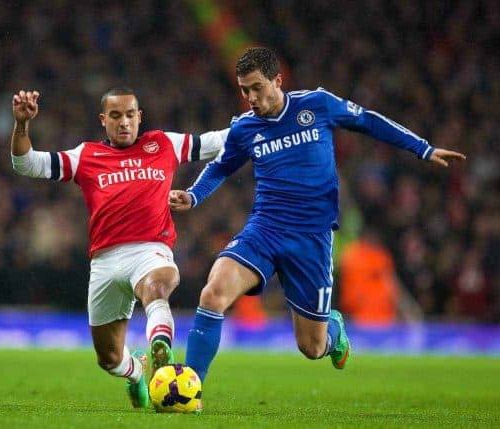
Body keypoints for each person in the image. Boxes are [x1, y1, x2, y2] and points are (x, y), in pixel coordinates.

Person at [169, 47, 466, 407]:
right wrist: (194, 195)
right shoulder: (244, 128)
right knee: (213, 293)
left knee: (311, 347)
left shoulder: (317, 105)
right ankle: (190, 388)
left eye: (257, 88)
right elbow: (221, 166)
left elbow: (369, 121)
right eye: (245, 90)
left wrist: (423, 148)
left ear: (278, 80)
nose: (251, 99)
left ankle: (334, 331)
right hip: (265, 229)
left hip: (311, 238)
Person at [11, 87, 228, 410]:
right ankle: (136, 372)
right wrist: (22, 124)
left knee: (157, 286)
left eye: (130, 115)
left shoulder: (163, 144)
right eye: (115, 116)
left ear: (140, 117)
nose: (124, 122)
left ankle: (161, 351)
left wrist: (265, 112)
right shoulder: (85, 157)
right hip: (105, 262)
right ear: (103, 120)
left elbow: (218, 140)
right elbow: (26, 164)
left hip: (151, 250)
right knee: (109, 358)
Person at [338, 226, 423, 326]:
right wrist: (409, 311)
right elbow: (393, 288)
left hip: (358, 321)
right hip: (379, 321)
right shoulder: (378, 256)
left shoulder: (349, 255)